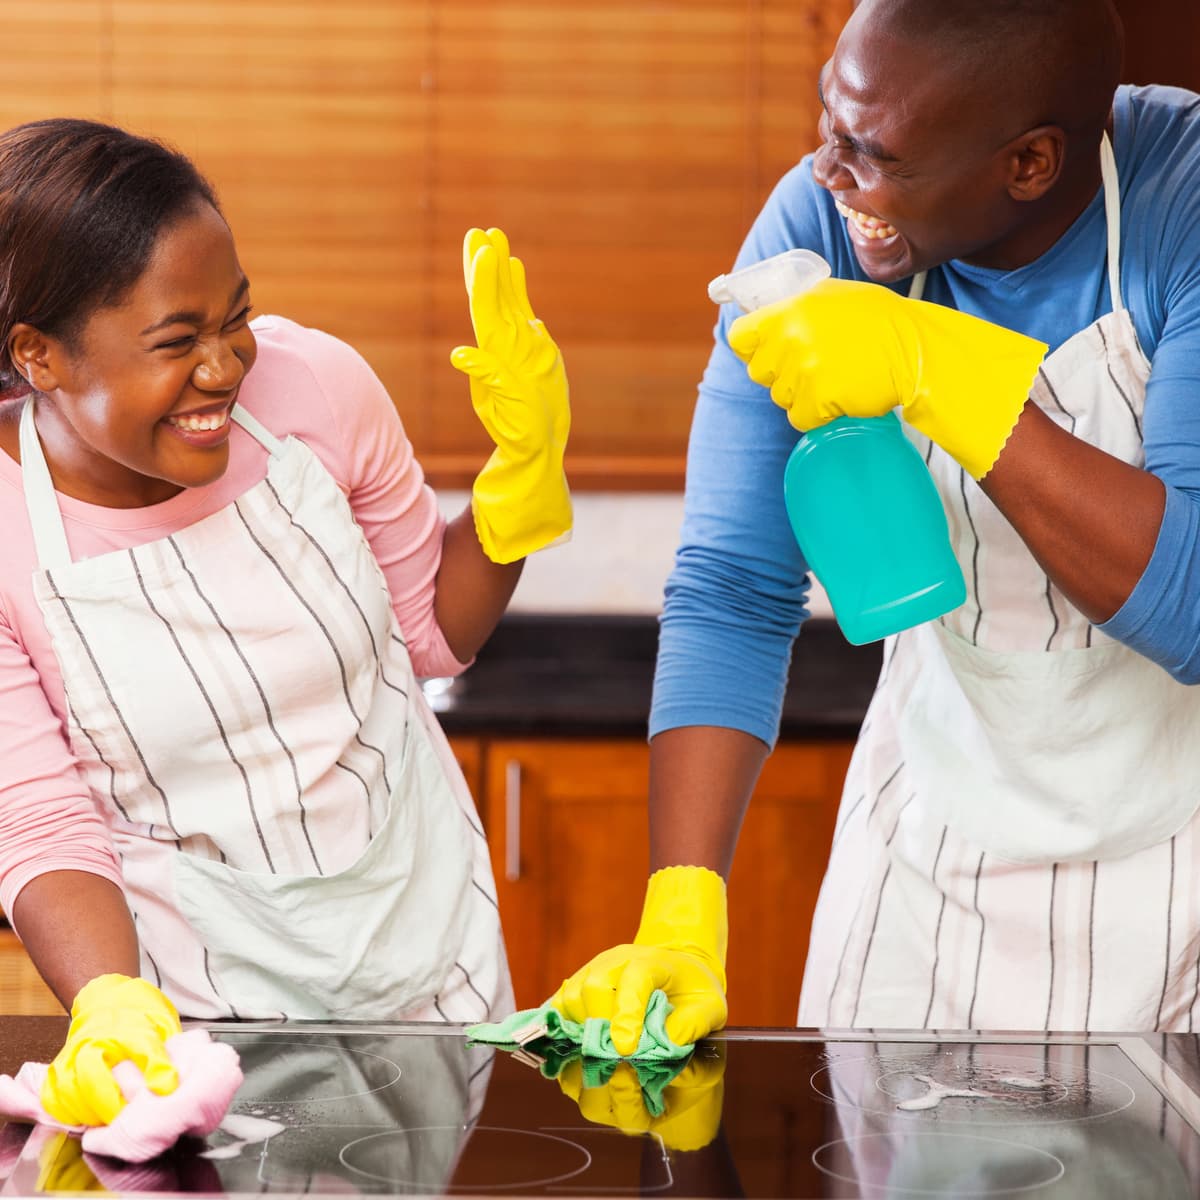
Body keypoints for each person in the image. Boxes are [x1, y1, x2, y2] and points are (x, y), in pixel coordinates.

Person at [552, 0, 1200, 1046]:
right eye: (829, 125)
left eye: (873, 152)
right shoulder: (820, 231)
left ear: (1028, 164)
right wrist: (682, 907)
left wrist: (939, 366)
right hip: (930, 849)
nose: (826, 172)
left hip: (1183, 862)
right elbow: (732, 583)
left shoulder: (1185, 199)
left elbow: (1191, 604)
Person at [0, 117, 571, 1125]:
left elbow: (435, 637)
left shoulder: (315, 388)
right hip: (202, 1035)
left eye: (235, 320)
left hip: (433, 969)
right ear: (39, 357)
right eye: (178, 342)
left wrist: (513, 491)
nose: (225, 367)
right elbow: (44, 823)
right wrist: (107, 1003)